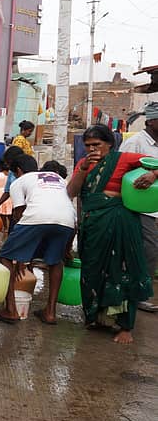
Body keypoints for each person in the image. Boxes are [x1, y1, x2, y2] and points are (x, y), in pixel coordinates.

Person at [67, 124, 156, 344]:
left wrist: (153, 174)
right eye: (88, 145)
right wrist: (83, 169)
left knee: (122, 270)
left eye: (96, 144)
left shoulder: (123, 159)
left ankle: (125, 326)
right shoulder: (83, 163)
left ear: (109, 144)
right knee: (92, 269)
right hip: (93, 223)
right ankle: (96, 317)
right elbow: (71, 192)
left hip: (120, 222)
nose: (92, 149)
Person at [0, 155, 76, 325]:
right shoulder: (56, 177)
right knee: (56, 261)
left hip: (37, 217)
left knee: (5, 256)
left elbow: (19, 214)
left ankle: (10, 310)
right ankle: (50, 312)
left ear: (18, 171)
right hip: (67, 220)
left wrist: (20, 254)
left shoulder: (18, 182)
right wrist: (66, 248)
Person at [119, 102, 158, 313]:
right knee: (147, 250)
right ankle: (138, 294)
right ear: (151, 121)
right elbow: (120, 170)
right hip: (138, 208)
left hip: (154, 207)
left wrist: (155, 173)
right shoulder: (135, 142)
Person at [0, 145, 27, 232]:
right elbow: (7, 191)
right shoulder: (11, 172)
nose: (8, 165)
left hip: (27, 210)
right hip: (16, 208)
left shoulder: (27, 172)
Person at [0, 159, 13, 235]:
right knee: (9, 212)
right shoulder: (11, 174)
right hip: (8, 193)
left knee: (2, 213)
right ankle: (10, 227)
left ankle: (5, 227)